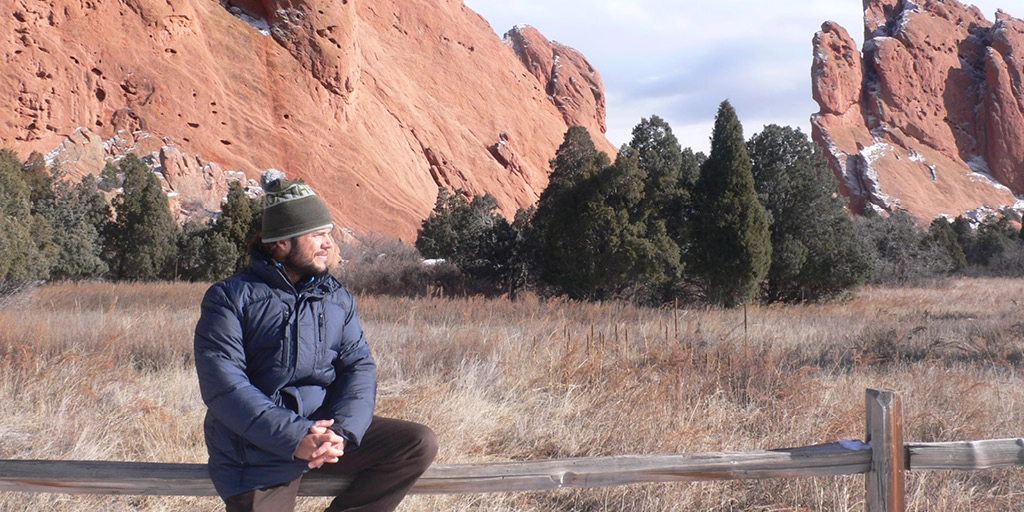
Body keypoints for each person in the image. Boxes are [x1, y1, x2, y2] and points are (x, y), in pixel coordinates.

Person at [194, 169, 437, 512]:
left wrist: (342, 431)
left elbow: (359, 367)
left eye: (329, 234)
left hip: (324, 432)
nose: (329, 244)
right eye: (317, 235)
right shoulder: (229, 298)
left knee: (415, 444)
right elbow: (225, 386)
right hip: (255, 450)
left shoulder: (336, 297)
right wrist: (295, 437)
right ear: (282, 242)